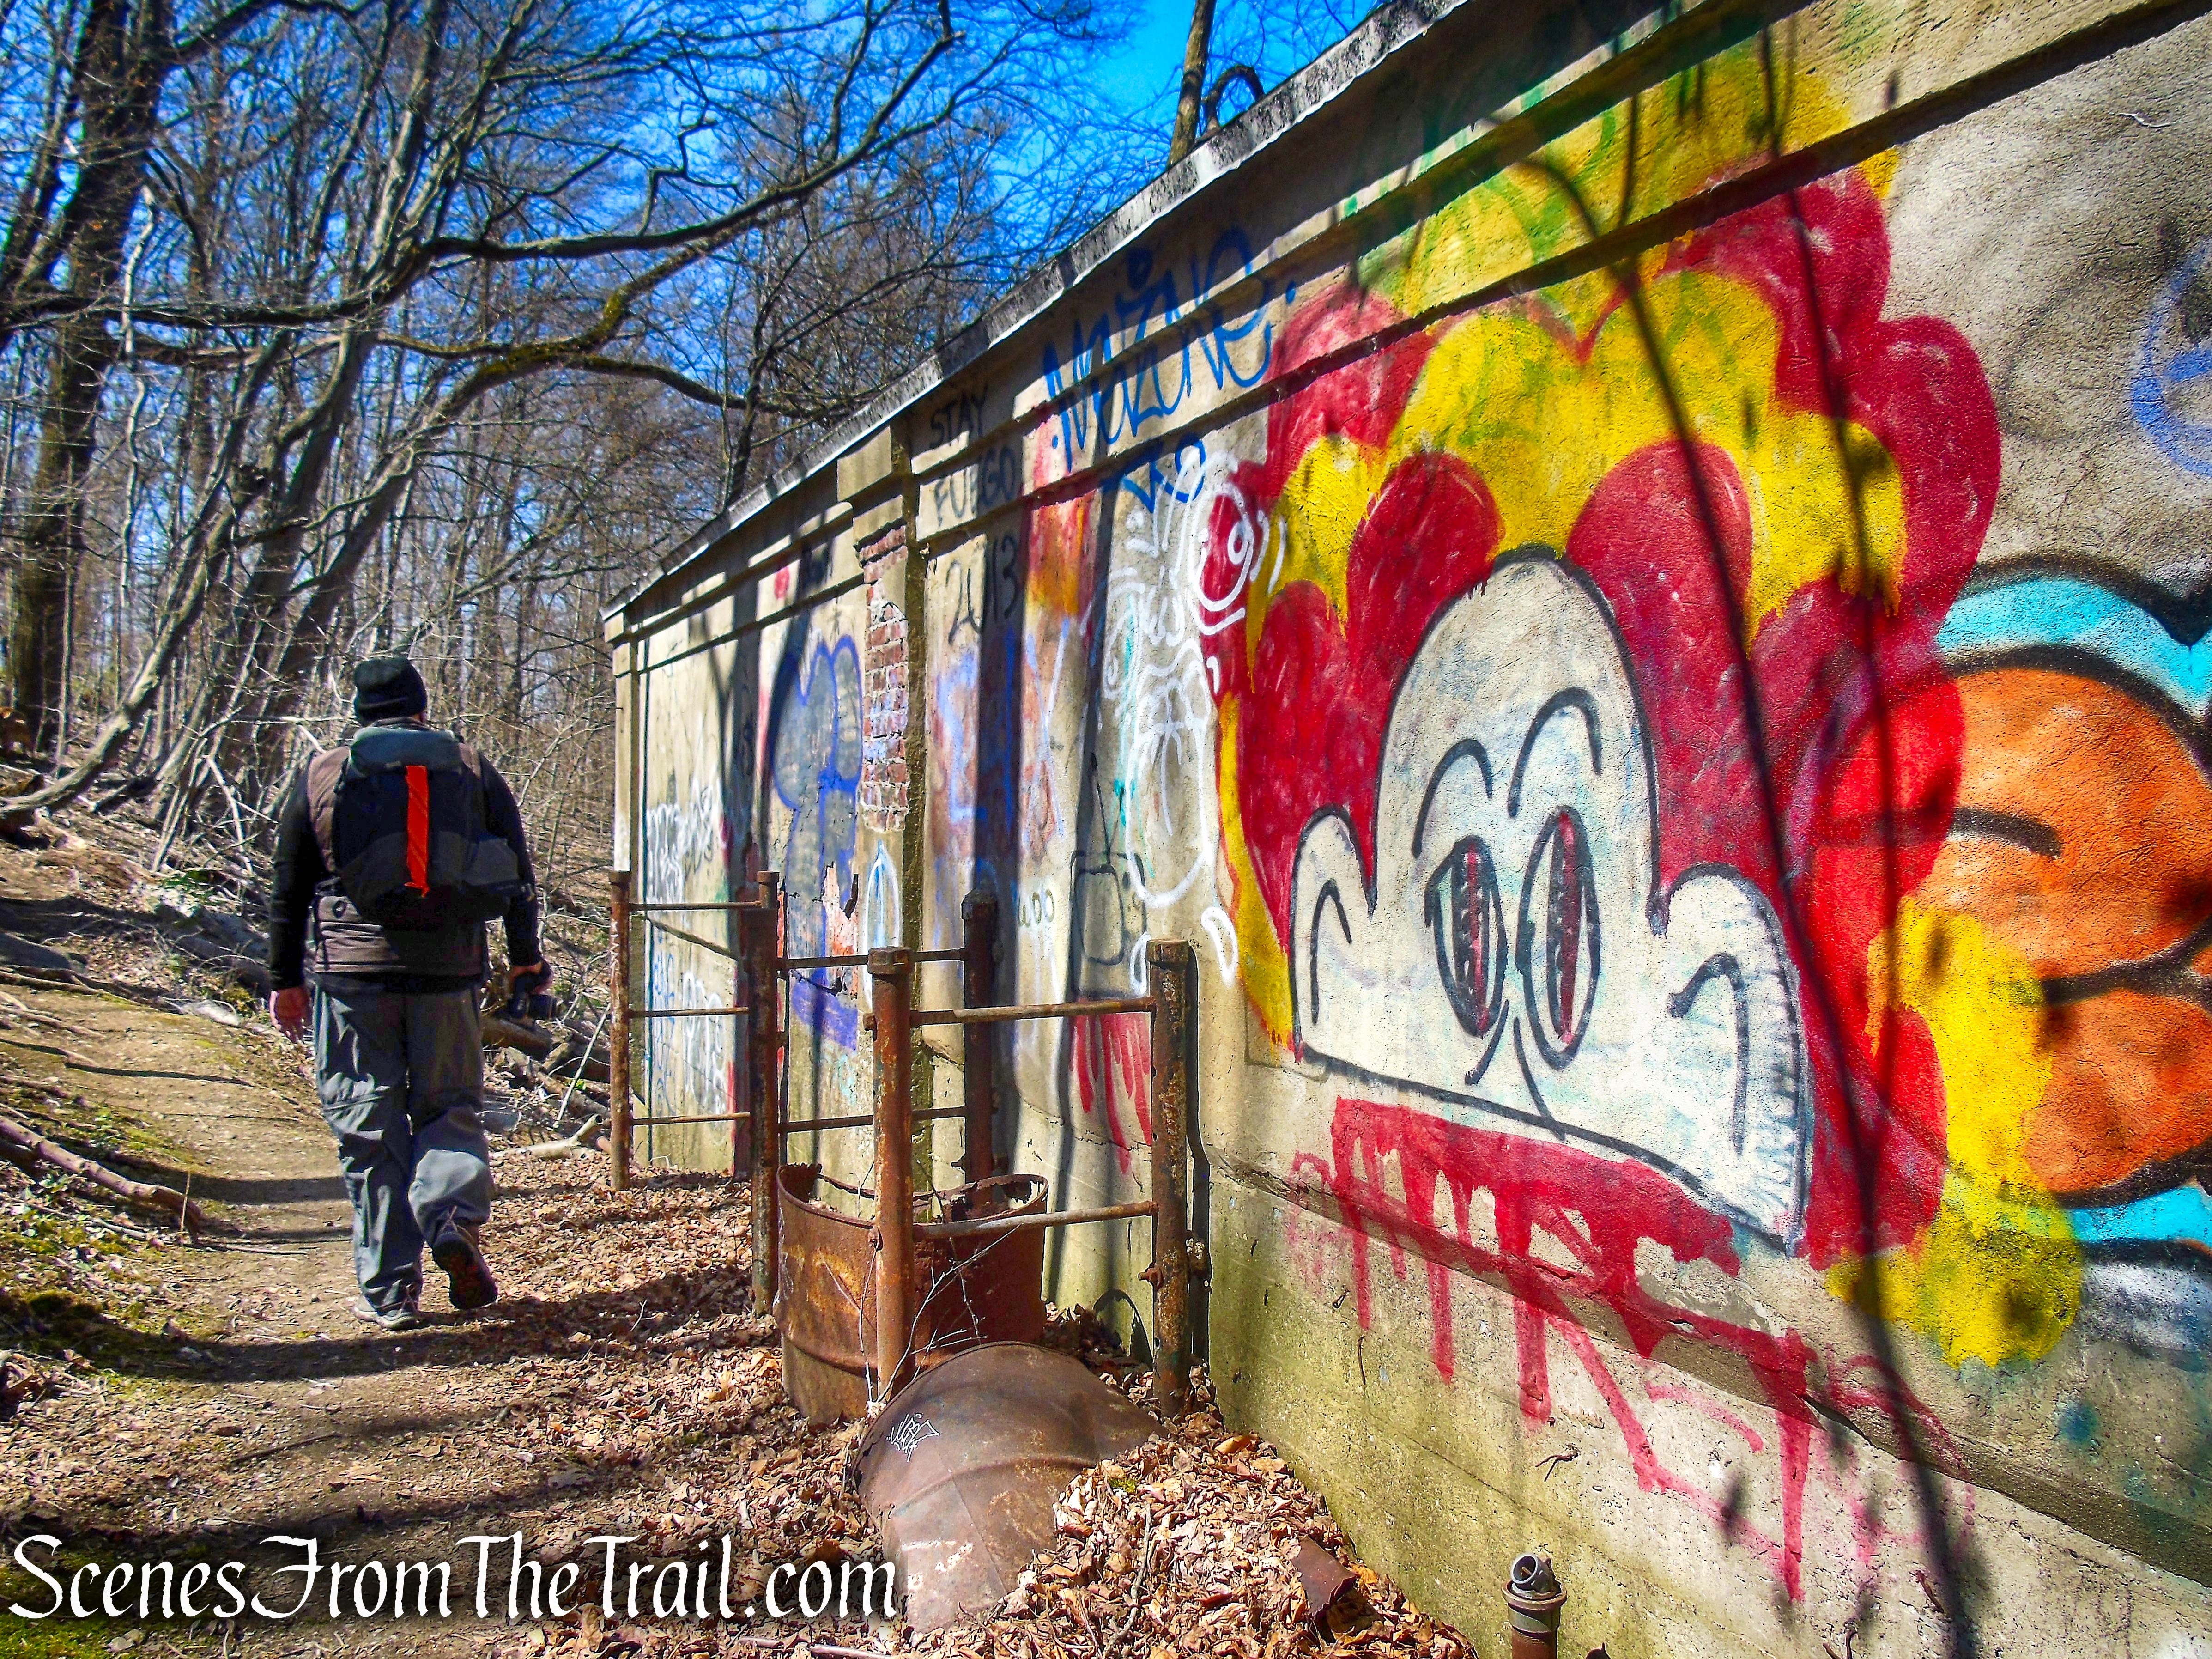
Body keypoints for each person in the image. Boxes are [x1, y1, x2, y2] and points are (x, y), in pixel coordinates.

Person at [266, 657, 544, 1331]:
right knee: (449, 1108)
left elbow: (288, 886)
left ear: (359, 711)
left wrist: (284, 980)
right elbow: (516, 872)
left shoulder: (323, 773)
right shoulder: (472, 769)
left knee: (368, 1123)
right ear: (421, 706)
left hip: (351, 976)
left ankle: (391, 1292)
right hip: (449, 973)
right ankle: (450, 1216)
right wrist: (525, 963)